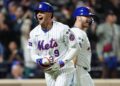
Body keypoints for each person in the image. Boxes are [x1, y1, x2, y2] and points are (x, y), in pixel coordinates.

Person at [28, 2, 78, 86]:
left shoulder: (63, 29)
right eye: (37, 12)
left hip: (64, 68)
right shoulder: (33, 33)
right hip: (48, 71)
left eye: (42, 12)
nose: (39, 14)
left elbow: (74, 47)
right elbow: (32, 53)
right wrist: (39, 60)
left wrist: (62, 62)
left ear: (50, 14)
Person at [71, 7, 94, 86]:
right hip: (78, 72)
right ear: (78, 17)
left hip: (80, 71)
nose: (89, 19)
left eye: (89, 17)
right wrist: (71, 75)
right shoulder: (77, 32)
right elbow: (74, 53)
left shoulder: (78, 32)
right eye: (87, 16)